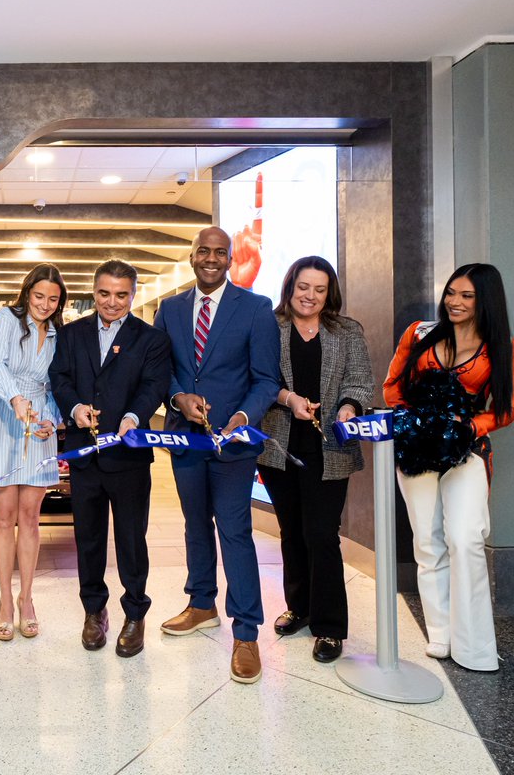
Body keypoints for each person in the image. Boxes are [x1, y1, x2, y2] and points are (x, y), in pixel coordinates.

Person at [153, 225, 281, 684]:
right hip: (185, 439)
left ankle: (246, 631)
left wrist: (244, 418)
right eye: (203, 251)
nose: (211, 258)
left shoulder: (256, 309)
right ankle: (202, 603)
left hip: (233, 443)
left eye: (220, 252)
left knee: (234, 529)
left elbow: (266, 378)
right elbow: (161, 370)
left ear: (230, 259)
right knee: (194, 525)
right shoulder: (169, 310)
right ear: (192, 257)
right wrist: (177, 398)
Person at [383, 263, 514, 672]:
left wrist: (466, 426)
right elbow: (393, 386)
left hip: (466, 450)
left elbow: (506, 409)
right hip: (416, 449)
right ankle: (440, 633)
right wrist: (415, 421)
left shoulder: (506, 347)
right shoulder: (420, 333)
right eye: (451, 293)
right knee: (427, 541)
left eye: (467, 296)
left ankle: (475, 647)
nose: (454, 302)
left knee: (465, 538)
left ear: (486, 301)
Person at [49, 260, 171, 658]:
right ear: (94, 291)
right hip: (85, 457)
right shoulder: (70, 334)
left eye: (121, 295)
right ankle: (94, 611)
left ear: (133, 295)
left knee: (132, 540)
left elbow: (154, 385)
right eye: (104, 294)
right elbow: (60, 378)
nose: (112, 302)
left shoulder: (151, 339)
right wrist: (74, 407)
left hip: (129, 456)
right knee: (88, 539)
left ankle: (135, 614)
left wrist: (134, 417)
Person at [256, 256, 373, 663]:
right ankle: (300, 607)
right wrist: (288, 399)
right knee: (291, 531)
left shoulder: (347, 331)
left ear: (330, 293)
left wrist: (348, 406)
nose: (310, 296)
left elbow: (359, 378)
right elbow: (260, 378)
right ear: (290, 287)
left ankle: (329, 626)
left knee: (321, 534)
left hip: (331, 449)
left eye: (319, 289)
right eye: (303, 287)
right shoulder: (270, 326)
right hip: (279, 446)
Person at [0, 264, 66, 641]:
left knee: (30, 515)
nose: (44, 304)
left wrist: (52, 420)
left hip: (37, 421)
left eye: (52, 299)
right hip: (0, 415)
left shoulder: (59, 333)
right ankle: (5, 602)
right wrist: (15, 398)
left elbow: (57, 382)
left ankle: (28, 599)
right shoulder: (6, 319)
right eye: (39, 296)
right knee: (4, 515)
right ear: (27, 294)